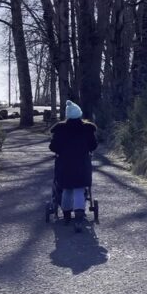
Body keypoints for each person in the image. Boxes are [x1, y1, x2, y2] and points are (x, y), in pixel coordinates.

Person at [49, 100, 98, 233]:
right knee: (79, 189)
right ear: (79, 114)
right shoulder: (87, 128)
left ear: (68, 115)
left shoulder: (60, 129)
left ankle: (66, 216)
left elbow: (53, 147)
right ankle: (79, 217)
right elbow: (93, 146)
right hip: (82, 163)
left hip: (65, 164)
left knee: (66, 189)